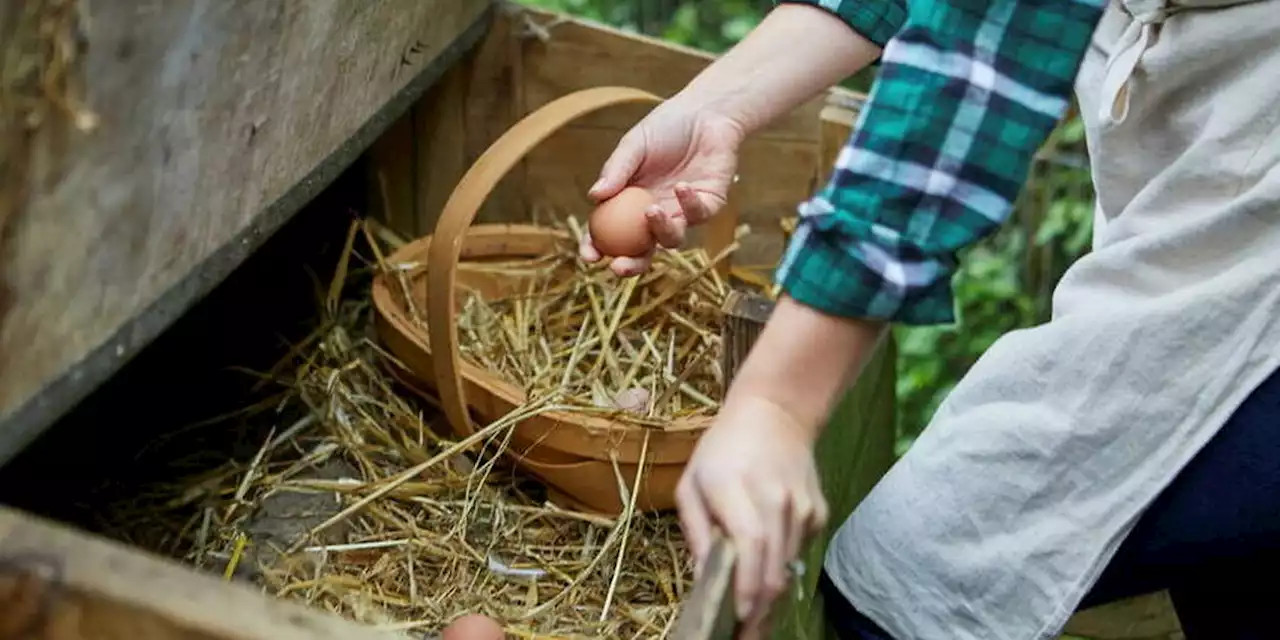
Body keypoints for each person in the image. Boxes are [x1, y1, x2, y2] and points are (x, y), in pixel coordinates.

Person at [579, 0, 1280, 638]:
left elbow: (984, 53)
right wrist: (715, 110)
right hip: (1212, 177)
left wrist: (776, 404)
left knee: (905, 588)